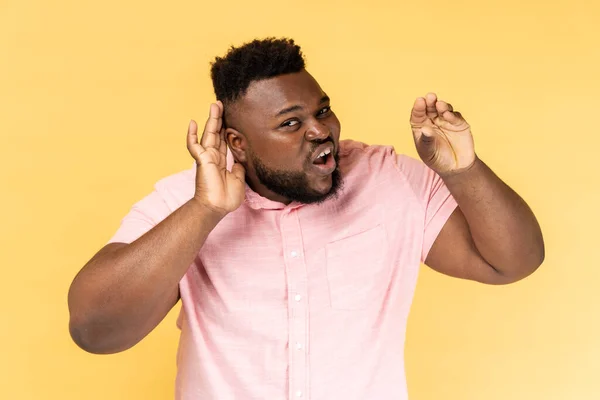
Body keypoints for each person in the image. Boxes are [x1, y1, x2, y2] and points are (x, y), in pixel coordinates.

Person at [67, 38, 545, 400]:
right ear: (237, 144)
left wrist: (463, 171)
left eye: (323, 110)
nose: (321, 131)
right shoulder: (187, 200)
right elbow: (94, 331)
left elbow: (513, 262)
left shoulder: (389, 179)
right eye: (290, 123)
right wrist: (204, 212)